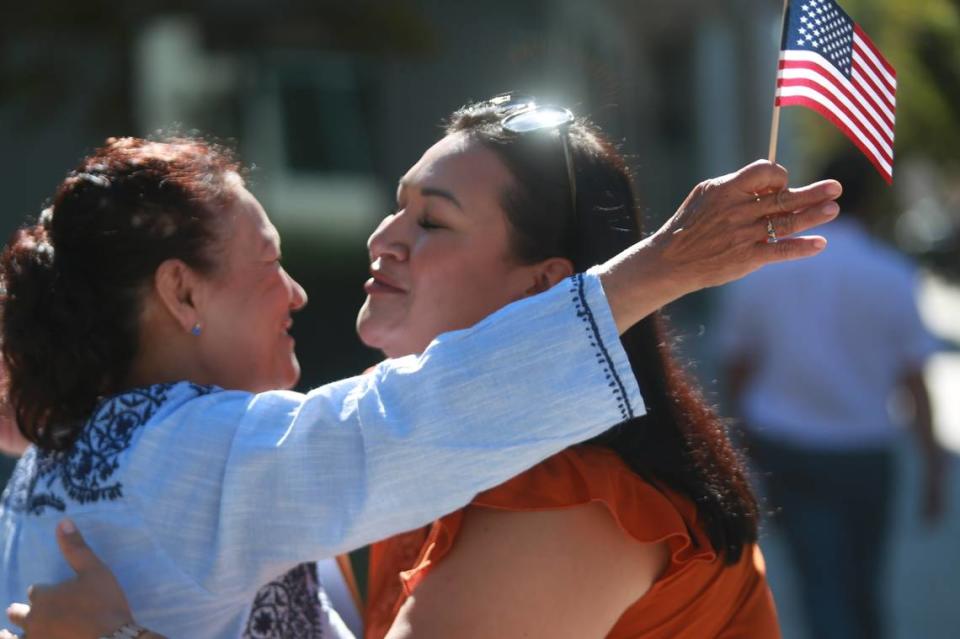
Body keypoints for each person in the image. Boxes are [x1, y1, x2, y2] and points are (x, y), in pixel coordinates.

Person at [4, 97, 841, 639]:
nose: (379, 241)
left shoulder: (571, 502)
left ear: (547, 286)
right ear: (180, 291)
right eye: (269, 263)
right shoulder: (203, 449)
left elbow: (391, 425)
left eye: (432, 220)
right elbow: (384, 429)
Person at [715, 151, 946, 639]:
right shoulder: (892, 273)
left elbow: (736, 364)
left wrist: (737, 440)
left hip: (786, 444)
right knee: (860, 584)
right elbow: (915, 381)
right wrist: (933, 469)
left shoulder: (765, 268)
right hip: (863, 450)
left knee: (822, 584)